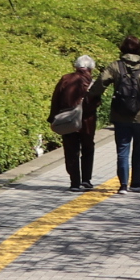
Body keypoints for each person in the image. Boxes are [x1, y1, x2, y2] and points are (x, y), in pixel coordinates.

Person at [106, 37, 140, 192]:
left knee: (122, 150)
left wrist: (91, 99)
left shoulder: (115, 67)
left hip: (120, 115)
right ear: (139, 49)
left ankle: (123, 184)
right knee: (139, 149)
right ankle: (136, 183)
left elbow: (100, 83)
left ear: (122, 48)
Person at [49, 54, 102, 192]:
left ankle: (74, 182)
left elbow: (56, 99)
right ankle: (86, 180)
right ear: (90, 69)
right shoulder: (92, 82)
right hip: (87, 121)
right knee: (88, 148)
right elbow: (96, 102)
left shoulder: (65, 79)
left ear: (76, 67)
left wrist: (53, 118)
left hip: (68, 119)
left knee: (71, 150)